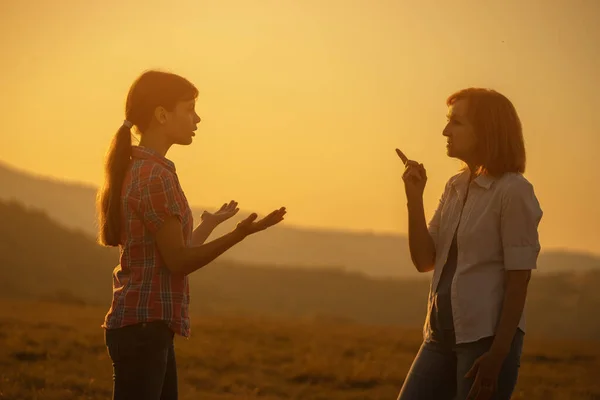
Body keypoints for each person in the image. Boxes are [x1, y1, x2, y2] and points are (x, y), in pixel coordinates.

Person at [96, 69, 287, 400]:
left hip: (144, 328)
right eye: (189, 108)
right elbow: (179, 261)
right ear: (161, 114)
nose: (197, 118)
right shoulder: (156, 177)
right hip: (144, 329)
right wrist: (239, 234)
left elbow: (171, 252)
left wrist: (210, 224)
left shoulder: (142, 169)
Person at [395, 88, 543, 400]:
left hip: (485, 341)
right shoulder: (455, 186)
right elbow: (424, 261)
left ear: (486, 130)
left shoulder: (513, 191)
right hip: (437, 336)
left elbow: (519, 282)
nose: (445, 131)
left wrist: (497, 356)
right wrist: (414, 198)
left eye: (456, 123)